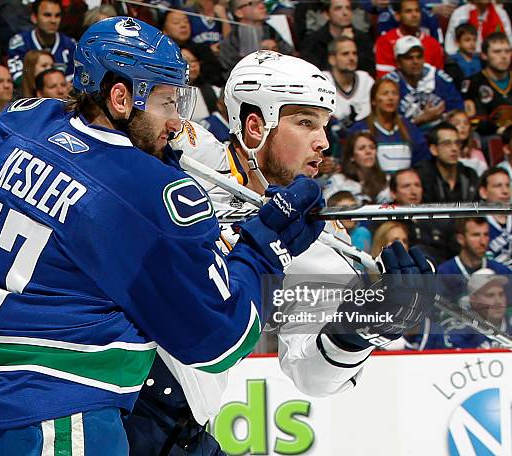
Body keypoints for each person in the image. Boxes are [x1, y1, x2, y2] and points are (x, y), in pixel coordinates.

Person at [0, 18, 326, 454]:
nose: (178, 121)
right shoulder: (153, 192)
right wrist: (263, 245)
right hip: (61, 418)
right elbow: (221, 341)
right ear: (121, 97)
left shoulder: (23, 121)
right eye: (165, 102)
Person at [148, 50, 435, 455]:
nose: (324, 141)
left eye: (324, 125)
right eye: (305, 123)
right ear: (254, 126)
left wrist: (362, 327)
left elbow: (310, 374)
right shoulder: (190, 151)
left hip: (173, 423)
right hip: (97, 382)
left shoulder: (314, 237)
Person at [348, 78, 429, 173]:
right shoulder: (360, 129)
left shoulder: (410, 128)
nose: (391, 98)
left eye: (394, 93)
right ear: (373, 100)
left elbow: (422, 162)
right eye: (385, 93)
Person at [384, 36, 463, 131]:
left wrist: (445, 117)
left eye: (419, 56)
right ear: (398, 62)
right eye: (409, 58)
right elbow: (387, 124)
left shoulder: (438, 78)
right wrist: (421, 119)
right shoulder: (389, 84)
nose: (415, 61)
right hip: (406, 138)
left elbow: (457, 109)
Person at [437, 217, 510, 304]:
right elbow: (438, 312)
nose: (483, 242)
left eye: (486, 234)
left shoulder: (501, 271)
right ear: (461, 239)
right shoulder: (445, 273)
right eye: (476, 235)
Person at [219, 0, 293, 78]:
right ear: (239, 13)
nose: (262, 6)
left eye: (261, 2)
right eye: (252, 4)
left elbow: (291, 58)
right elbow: (230, 71)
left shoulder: (271, 31)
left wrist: (276, 50)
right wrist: (260, 53)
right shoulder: (232, 39)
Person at [7, 0, 75, 84]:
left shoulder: (70, 45)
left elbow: (73, 81)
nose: (53, 20)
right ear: (34, 18)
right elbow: (18, 79)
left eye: (57, 16)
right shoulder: (19, 43)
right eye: (47, 15)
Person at [299, 0, 375, 74]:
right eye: (338, 9)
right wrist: (340, 44)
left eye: (348, 8)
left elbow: (369, 70)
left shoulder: (363, 39)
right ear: (326, 14)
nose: (345, 13)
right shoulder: (312, 41)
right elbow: (312, 71)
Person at [374, 0, 444, 79]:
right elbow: (384, 78)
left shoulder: (433, 44)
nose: (414, 15)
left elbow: (438, 77)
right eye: (408, 11)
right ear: (397, 16)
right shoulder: (385, 41)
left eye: (417, 11)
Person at [461, 32, 511, 137]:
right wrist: (502, 131)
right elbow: (476, 120)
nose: (503, 56)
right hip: (490, 138)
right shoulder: (472, 83)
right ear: (484, 55)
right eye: (497, 52)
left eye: (507, 51)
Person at [414, 122, 479, 203]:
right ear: (434, 149)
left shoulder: (469, 174)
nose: (454, 148)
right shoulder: (421, 176)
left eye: (457, 143)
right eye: (447, 143)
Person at [323, 131, 390, 203]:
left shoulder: (386, 180)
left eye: (372, 147)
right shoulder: (337, 180)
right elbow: (326, 206)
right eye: (362, 148)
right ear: (352, 156)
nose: (368, 152)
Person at [324, 36, 375, 128]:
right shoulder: (323, 81)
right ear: (332, 59)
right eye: (345, 54)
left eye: (354, 53)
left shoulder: (366, 80)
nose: (352, 58)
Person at [444, 0, 512, 56]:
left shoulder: (501, 13)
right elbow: (450, 45)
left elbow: (509, 41)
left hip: (493, 60)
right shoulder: (460, 13)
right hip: (465, 60)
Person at [478, 167, 512, 266]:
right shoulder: (476, 222)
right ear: (483, 192)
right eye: (498, 186)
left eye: (508, 185)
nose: (505, 191)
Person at [445, 109, 487, 177]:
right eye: (457, 123)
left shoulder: (477, 154)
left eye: (466, 123)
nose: (463, 126)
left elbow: (484, 179)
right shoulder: (443, 154)